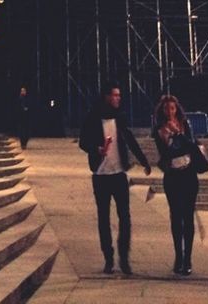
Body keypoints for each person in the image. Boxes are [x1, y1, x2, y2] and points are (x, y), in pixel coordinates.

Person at [78, 82, 152, 276]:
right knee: (103, 218)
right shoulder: (93, 117)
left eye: (119, 95)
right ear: (107, 97)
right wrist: (97, 149)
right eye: (115, 95)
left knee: (125, 218)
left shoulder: (119, 118)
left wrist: (144, 161)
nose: (118, 98)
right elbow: (83, 141)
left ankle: (124, 258)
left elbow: (130, 139)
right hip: (101, 174)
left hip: (119, 174)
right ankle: (108, 258)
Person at [152, 93, 201, 276]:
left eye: (172, 108)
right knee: (175, 217)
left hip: (188, 175)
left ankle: (187, 258)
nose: (169, 112)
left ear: (177, 109)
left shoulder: (185, 125)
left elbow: (190, 146)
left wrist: (178, 134)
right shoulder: (159, 129)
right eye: (166, 108)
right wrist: (169, 137)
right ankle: (178, 257)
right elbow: (166, 153)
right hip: (172, 177)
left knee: (188, 217)